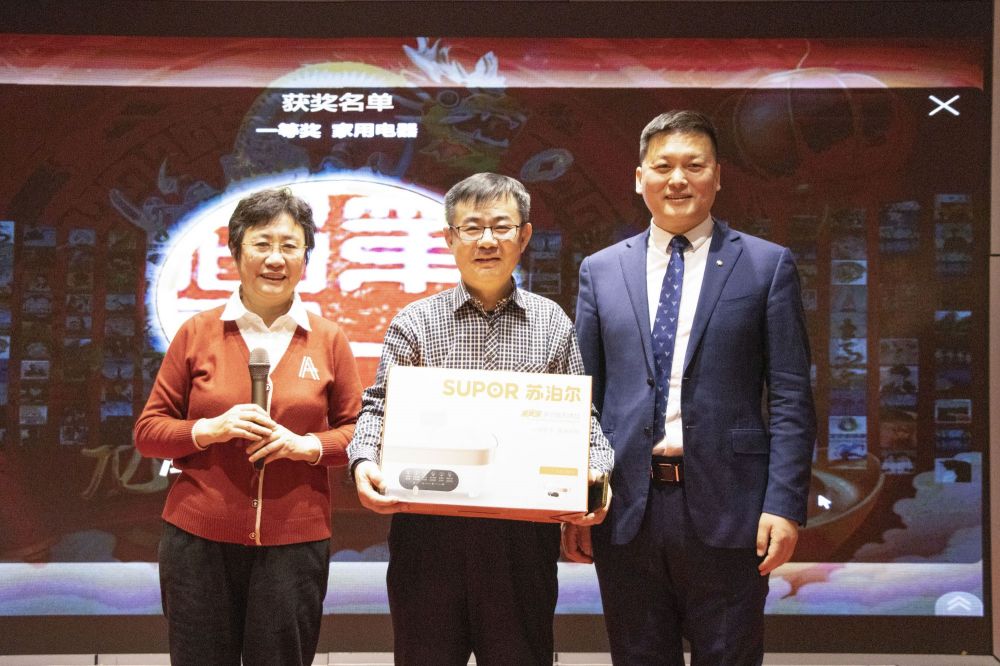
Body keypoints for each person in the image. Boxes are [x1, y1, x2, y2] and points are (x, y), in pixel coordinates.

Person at [565, 110, 816, 665]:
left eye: (694, 165)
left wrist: (784, 504)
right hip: (626, 510)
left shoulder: (766, 265)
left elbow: (792, 397)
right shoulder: (601, 271)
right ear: (640, 178)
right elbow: (583, 399)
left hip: (733, 509)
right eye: (663, 166)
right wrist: (577, 499)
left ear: (718, 176)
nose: (677, 179)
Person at [347, 172, 614, 666]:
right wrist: (363, 462)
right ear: (449, 238)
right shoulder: (414, 322)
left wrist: (597, 473)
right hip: (427, 536)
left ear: (524, 236)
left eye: (501, 226)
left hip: (521, 543)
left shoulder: (553, 323)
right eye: (471, 227)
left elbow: (584, 420)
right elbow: (378, 407)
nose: (487, 240)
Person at [134, 187, 362, 666]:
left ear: (306, 257)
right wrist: (208, 429)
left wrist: (305, 446)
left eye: (289, 245)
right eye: (261, 243)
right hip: (198, 542)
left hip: (294, 544)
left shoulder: (328, 338)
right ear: (236, 252)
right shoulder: (197, 332)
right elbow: (149, 432)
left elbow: (358, 433)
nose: (275, 258)